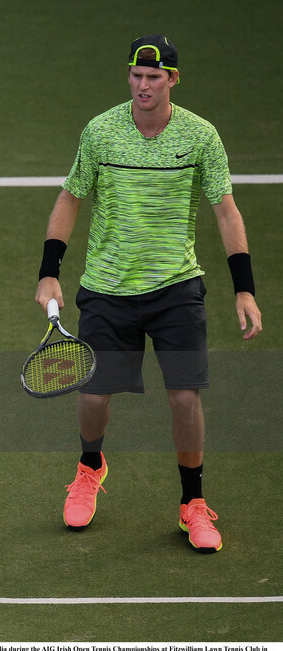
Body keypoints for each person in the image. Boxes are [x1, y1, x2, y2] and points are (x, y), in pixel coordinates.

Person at [35, 35, 262, 553]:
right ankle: (90, 466)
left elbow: (226, 210)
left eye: (154, 77)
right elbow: (70, 198)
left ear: (173, 80)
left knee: (184, 397)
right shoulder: (101, 131)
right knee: (93, 396)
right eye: (136, 76)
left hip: (175, 287)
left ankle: (193, 504)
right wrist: (50, 272)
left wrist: (243, 289)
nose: (143, 85)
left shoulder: (201, 136)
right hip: (107, 287)